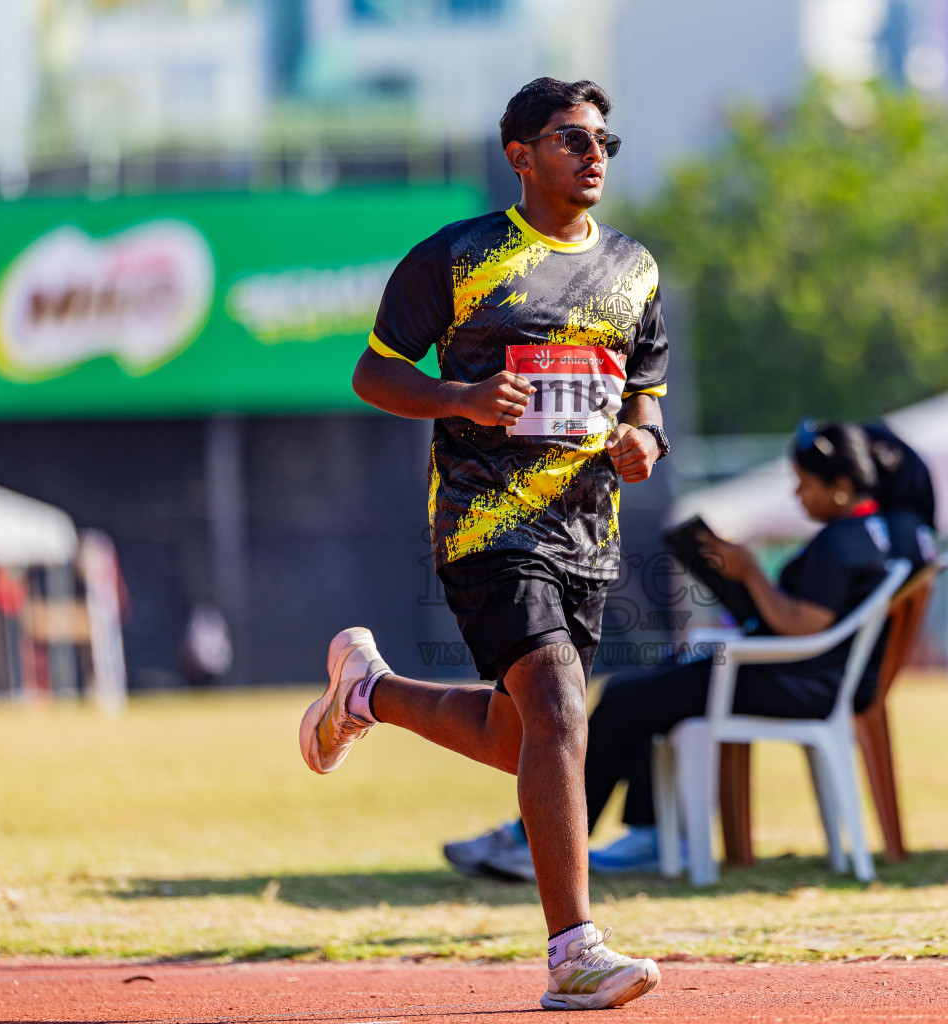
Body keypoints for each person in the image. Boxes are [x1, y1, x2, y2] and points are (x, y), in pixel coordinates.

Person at [298, 78, 668, 1011]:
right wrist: (460, 398)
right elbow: (373, 373)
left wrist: (644, 440)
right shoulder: (463, 256)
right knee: (558, 709)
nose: (594, 155)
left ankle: (367, 693)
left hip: (587, 533)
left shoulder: (635, 270)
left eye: (604, 141)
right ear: (520, 154)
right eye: (571, 138)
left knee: (527, 737)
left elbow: (645, 393)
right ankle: (573, 954)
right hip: (486, 523)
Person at [448, 422, 905, 877]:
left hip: (799, 681)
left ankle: (543, 842)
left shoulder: (843, 541)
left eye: (805, 485)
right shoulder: (867, 532)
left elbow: (804, 626)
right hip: (800, 676)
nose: (798, 495)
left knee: (627, 699)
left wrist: (750, 574)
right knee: (651, 688)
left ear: (842, 487)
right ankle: (649, 833)